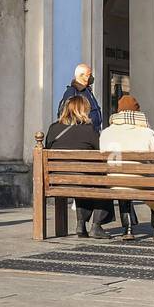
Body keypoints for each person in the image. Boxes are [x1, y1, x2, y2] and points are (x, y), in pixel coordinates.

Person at [100, 94, 154, 241]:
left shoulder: (105, 132)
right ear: (137, 113)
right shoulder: (146, 132)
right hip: (139, 182)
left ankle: (128, 228)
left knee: (122, 179)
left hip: (114, 182)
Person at [46, 94, 111, 238]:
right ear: (84, 110)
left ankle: (81, 224)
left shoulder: (53, 128)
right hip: (81, 180)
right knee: (100, 180)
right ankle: (96, 225)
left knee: (82, 178)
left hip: (56, 181)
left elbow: (46, 148)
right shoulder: (89, 130)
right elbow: (100, 155)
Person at [57, 63, 102, 133]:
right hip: (82, 132)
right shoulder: (72, 91)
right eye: (89, 75)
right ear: (81, 76)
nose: (91, 77)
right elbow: (65, 114)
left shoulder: (88, 91)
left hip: (93, 132)